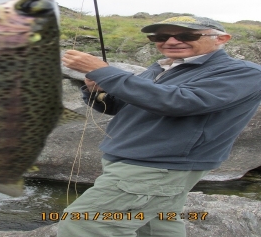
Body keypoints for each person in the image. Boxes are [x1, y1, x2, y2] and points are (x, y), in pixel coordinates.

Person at [57, 16, 261, 237]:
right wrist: (96, 90)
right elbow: (121, 105)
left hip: (158, 166)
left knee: (85, 224)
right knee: (157, 227)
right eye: (161, 36)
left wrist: (107, 72)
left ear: (222, 39)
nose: (171, 41)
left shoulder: (244, 72)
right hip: (138, 162)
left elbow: (180, 102)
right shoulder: (164, 67)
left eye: (186, 35)